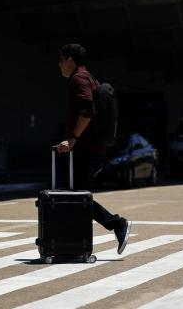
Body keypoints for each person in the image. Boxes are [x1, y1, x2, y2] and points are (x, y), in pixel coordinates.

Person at [57, 43, 131, 255]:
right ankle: (73, 242)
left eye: (61, 60)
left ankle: (117, 224)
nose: (59, 65)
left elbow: (87, 110)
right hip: (90, 148)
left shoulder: (78, 79)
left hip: (87, 149)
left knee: (77, 197)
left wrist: (72, 138)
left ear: (70, 60)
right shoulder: (86, 77)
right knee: (75, 196)